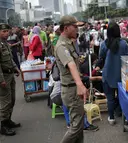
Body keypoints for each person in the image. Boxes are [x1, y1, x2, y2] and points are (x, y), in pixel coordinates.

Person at [54, 15, 87, 143]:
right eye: (75, 27)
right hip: (72, 90)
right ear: (66, 28)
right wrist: (80, 84)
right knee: (76, 128)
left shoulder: (68, 42)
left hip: (73, 89)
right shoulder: (62, 46)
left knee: (78, 127)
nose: (77, 30)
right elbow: (71, 65)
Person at [0, 23, 21, 136]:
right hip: (3, 77)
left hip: (10, 75)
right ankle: (3, 126)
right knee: (5, 102)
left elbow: (10, 58)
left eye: (7, 31)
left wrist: (16, 68)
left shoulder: (5, 44)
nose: (6, 33)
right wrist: (0, 80)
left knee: (12, 100)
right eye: (3, 32)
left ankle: (8, 120)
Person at [99, 22, 128, 125]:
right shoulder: (123, 44)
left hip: (107, 75)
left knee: (110, 98)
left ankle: (111, 117)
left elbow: (101, 56)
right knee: (123, 97)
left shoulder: (104, 44)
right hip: (121, 75)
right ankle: (125, 117)